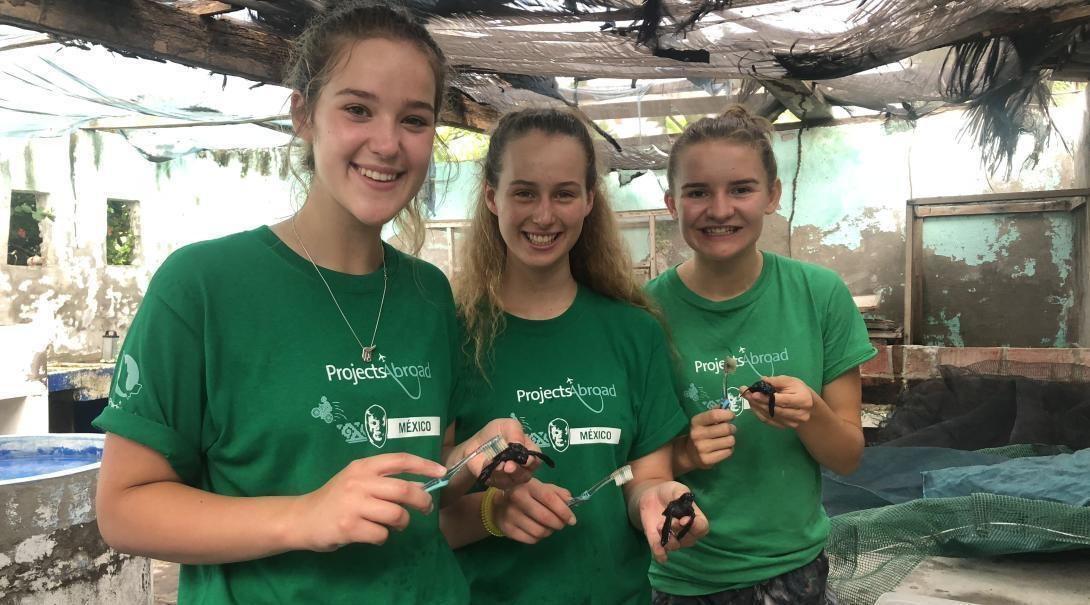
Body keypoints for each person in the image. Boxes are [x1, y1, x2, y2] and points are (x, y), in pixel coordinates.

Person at [92, 3, 529, 603]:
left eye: (415, 120)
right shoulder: (202, 285)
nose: (387, 143)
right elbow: (124, 509)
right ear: (304, 115)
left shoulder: (428, 293)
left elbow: (420, 481)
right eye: (357, 109)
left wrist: (473, 462)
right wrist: (304, 516)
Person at [438, 108, 709, 605]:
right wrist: (491, 511)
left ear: (588, 200)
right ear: (492, 197)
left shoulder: (634, 331)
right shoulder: (452, 334)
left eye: (563, 193)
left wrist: (655, 499)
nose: (544, 215)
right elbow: (424, 511)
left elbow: (642, 476)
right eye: (524, 192)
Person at [645, 105, 877, 605]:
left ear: (772, 195)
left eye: (741, 189)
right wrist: (684, 453)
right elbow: (632, 461)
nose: (720, 209)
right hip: (685, 575)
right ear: (671, 203)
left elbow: (849, 455)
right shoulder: (644, 312)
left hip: (794, 572)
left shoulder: (819, 295)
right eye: (698, 192)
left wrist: (810, 411)